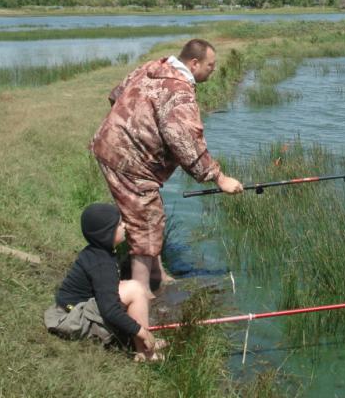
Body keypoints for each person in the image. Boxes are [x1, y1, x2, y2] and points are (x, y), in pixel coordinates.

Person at [89, 38, 243, 296]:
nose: (213, 70)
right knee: (146, 222)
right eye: (210, 65)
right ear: (194, 64)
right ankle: (142, 294)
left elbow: (115, 94)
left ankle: (157, 274)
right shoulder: (179, 91)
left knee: (148, 212)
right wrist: (219, 178)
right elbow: (185, 141)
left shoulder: (153, 66)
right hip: (128, 161)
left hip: (109, 146)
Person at [45, 202, 162, 362]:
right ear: (106, 233)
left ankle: (142, 342)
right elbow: (110, 309)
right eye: (120, 224)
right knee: (135, 289)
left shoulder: (98, 252)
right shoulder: (102, 262)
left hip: (69, 310)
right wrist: (141, 331)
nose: (125, 226)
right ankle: (145, 353)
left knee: (129, 288)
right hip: (73, 319)